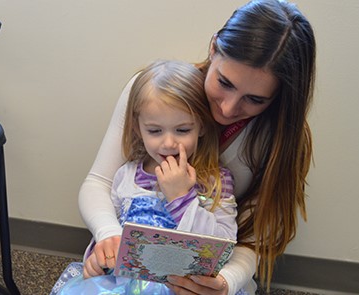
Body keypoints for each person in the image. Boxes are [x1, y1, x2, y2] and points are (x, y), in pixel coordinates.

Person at [78, 0, 316, 294]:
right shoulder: (155, 91)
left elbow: (253, 238)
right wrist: (108, 236)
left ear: (279, 97)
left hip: (210, 273)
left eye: (255, 99)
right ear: (213, 48)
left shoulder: (280, 137)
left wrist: (226, 283)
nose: (228, 109)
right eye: (224, 82)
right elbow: (99, 183)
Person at [50, 59, 238, 295]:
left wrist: (183, 198)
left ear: (201, 127)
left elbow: (224, 246)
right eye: (155, 131)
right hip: (124, 286)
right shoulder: (126, 175)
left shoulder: (215, 181)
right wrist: (97, 259)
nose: (169, 143)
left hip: (182, 289)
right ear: (138, 128)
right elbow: (110, 235)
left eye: (182, 130)